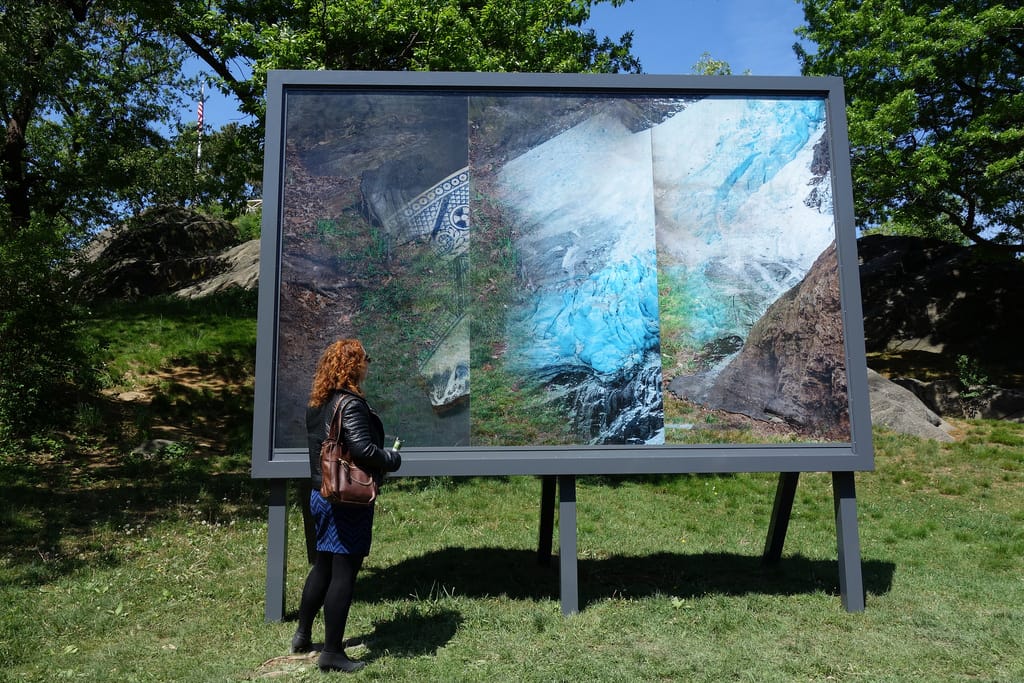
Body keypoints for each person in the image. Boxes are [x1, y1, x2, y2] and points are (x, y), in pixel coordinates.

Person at [290, 339, 401, 673]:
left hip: (319, 494)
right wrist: (391, 459)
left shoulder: (318, 402)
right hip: (346, 498)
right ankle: (333, 653)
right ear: (354, 365)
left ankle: (302, 634)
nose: (368, 364)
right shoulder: (349, 404)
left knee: (323, 565)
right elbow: (363, 450)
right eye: (366, 358)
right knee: (344, 572)